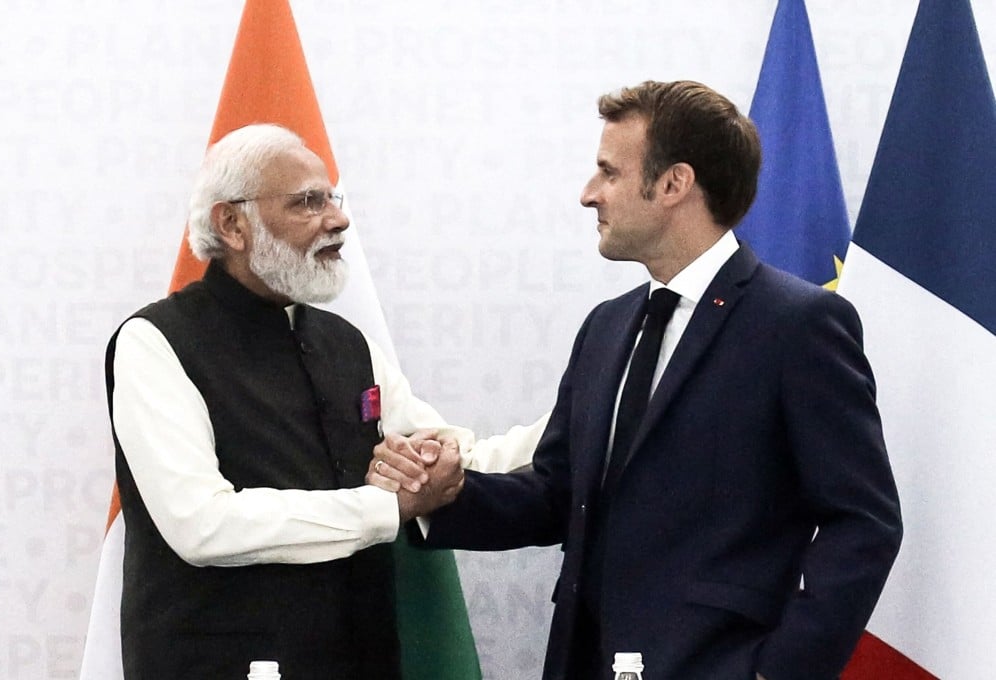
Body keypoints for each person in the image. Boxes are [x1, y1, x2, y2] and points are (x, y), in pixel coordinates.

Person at [371, 81, 902, 680]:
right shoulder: (607, 325)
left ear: (674, 184)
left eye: (608, 173)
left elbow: (864, 520)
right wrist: (449, 495)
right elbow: (557, 493)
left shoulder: (799, 324)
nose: (587, 194)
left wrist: (779, 671)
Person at [106, 123, 540, 679]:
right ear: (232, 224)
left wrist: (588, 418)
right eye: (308, 203)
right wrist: (383, 508)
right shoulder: (156, 341)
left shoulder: (346, 343)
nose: (338, 220)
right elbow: (204, 524)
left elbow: (452, 458)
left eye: (331, 198)